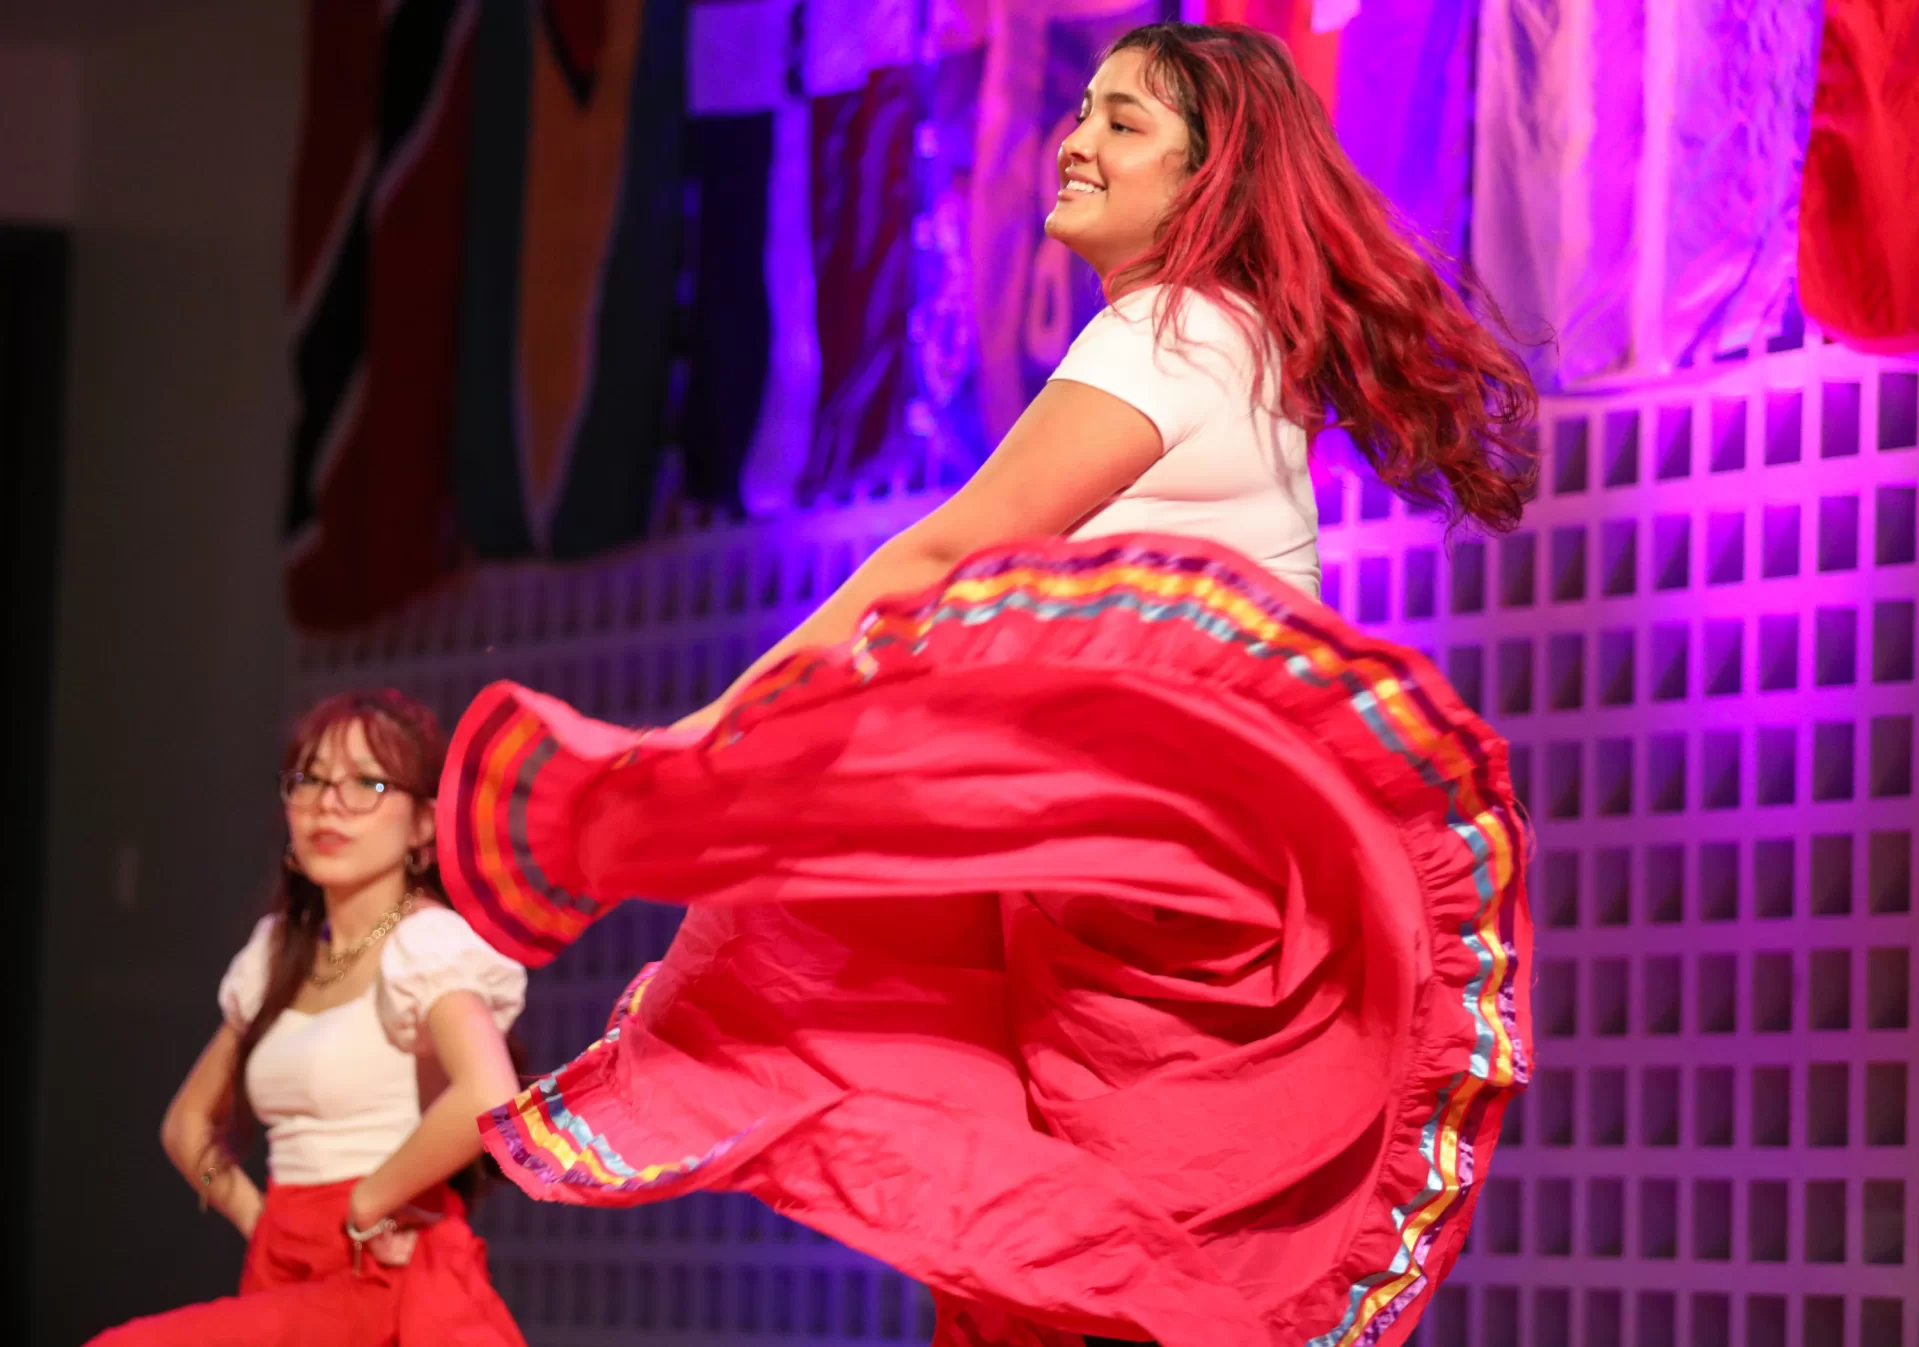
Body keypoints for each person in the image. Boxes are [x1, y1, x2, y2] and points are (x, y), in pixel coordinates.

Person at [438, 22, 1534, 1347]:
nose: (1070, 141)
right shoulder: (1238, 342)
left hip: (1154, 890)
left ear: (1206, 179)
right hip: (1208, 889)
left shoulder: (1163, 329)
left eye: (1123, 123)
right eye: (1079, 109)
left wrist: (705, 740)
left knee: (1050, 1213)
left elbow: (950, 549)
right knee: (1086, 1233)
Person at [91, 691, 529, 1347]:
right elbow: (186, 1123)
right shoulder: (276, 954)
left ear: (421, 825)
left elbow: (488, 1091)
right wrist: (254, 1211)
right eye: (311, 780)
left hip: (383, 1267)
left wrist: (368, 1199)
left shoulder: (428, 945)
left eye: (366, 782)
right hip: (281, 1262)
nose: (329, 802)